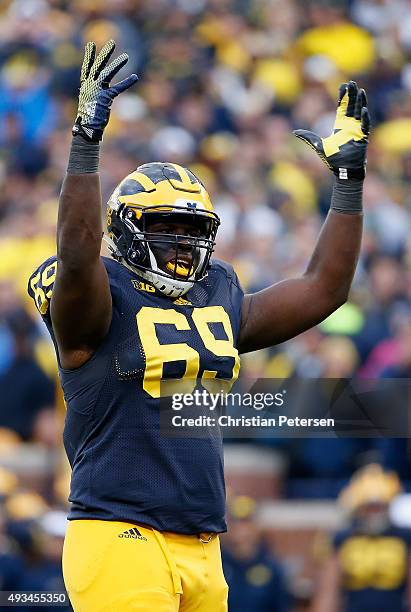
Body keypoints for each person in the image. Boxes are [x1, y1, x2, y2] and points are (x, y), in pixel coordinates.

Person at [27, 40, 369, 611]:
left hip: (206, 542)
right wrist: (86, 142)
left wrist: (348, 186)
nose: (182, 239)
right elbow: (79, 250)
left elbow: (323, 289)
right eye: (164, 225)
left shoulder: (218, 293)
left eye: (192, 227)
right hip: (120, 533)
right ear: (127, 230)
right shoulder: (96, 300)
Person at [311, 464, 411, 612]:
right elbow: (329, 590)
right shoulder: (343, 539)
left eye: (378, 507)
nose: (374, 513)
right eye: (369, 507)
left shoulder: (404, 537)